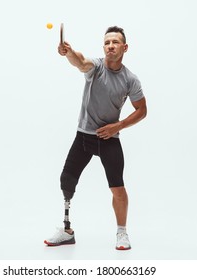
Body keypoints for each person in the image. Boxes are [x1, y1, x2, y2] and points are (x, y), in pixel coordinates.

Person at [44, 26, 147, 250]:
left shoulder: (130, 79)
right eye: (107, 42)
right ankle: (67, 230)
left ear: (124, 47)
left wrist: (117, 126)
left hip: (109, 139)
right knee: (66, 180)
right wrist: (69, 52)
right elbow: (80, 62)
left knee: (117, 188)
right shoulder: (96, 67)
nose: (110, 46)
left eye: (115, 42)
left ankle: (122, 232)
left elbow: (141, 110)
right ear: (104, 47)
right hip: (84, 137)